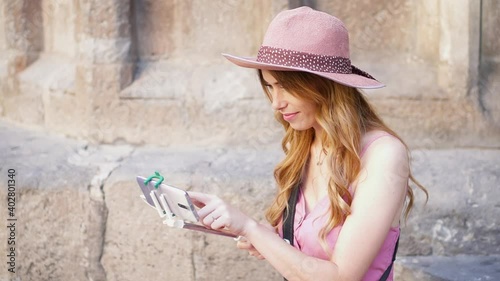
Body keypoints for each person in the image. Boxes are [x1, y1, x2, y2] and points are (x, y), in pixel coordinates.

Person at [188, 6, 428, 281]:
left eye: (286, 87)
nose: (277, 104)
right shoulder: (305, 142)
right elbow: (304, 254)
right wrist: (256, 234)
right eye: (270, 87)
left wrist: (250, 227)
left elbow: (341, 276)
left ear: (323, 85)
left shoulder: (383, 155)